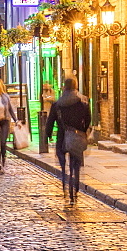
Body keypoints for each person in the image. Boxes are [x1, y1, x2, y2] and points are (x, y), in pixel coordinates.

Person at [46, 77, 91, 206]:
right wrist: (83, 130)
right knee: (75, 162)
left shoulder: (58, 103)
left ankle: (65, 177)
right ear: (76, 86)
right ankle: (75, 185)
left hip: (62, 136)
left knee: (62, 157)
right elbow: (88, 118)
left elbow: (50, 121)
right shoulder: (83, 101)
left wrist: (48, 135)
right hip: (77, 135)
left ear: (64, 87)